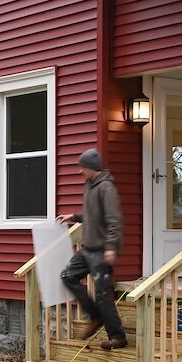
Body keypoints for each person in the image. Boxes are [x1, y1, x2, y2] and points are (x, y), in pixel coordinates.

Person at [57, 148, 127, 350]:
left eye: (83, 167)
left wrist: (111, 248)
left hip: (102, 249)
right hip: (88, 248)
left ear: (91, 167)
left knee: (102, 293)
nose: (80, 171)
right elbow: (92, 214)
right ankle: (95, 316)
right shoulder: (90, 185)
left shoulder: (106, 188)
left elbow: (114, 221)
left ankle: (118, 336)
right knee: (67, 276)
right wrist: (74, 217)